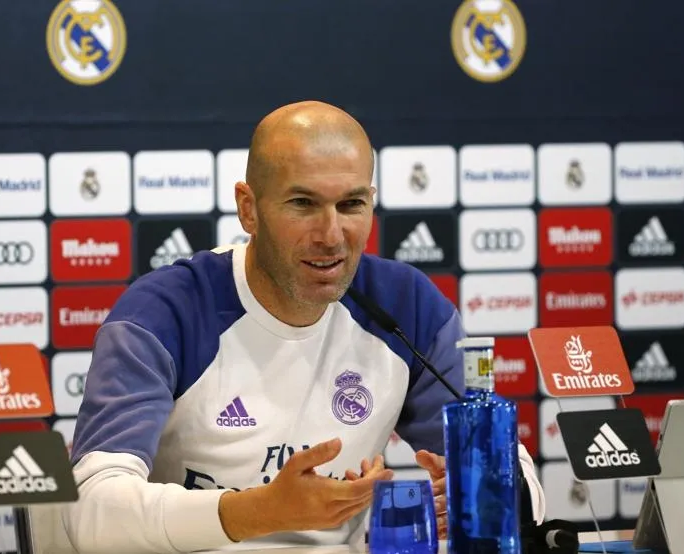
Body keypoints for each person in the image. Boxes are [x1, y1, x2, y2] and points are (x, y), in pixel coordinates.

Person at [62, 100, 546, 553]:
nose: (331, 236)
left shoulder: (406, 306)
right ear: (248, 208)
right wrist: (258, 511)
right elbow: (90, 511)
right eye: (303, 204)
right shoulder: (165, 313)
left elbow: (520, 478)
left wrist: (486, 493)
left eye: (351, 205)